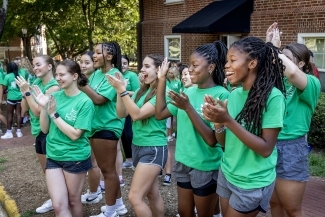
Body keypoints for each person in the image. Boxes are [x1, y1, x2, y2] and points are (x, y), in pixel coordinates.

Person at [201, 36, 286, 217]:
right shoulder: (234, 94)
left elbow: (265, 149)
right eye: (226, 61)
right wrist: (218, 123)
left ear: (252, 63)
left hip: (252, 182)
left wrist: (228, 120)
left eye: (232, 60)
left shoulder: (273, 97)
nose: (226, 66)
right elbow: (223, 143)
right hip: (227, 172)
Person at [156, 41, 229, 217]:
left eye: (195, 65)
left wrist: (188, 108)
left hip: (205, 166)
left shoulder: (222, 94)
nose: (189, 69)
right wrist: (161, 80)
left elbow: (212, 140)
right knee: (184, 212)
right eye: (189, 64)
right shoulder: (188, 92)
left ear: (211, 67)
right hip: (183, 162)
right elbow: (160, 114)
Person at [266, 23, 321, 217]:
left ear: (301, 64)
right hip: (269, 145)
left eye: (287, 59)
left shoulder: (311, 83)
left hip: (292, 148)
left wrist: (276, 51)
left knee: (292, 209)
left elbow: (290, 72)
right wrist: (269, 46)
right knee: (274, 203)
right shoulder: (277, 82)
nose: (280, 62)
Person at [107, 53, 167, 217]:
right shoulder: (143, 90)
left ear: (160, 70)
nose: (142, 69)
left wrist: (123, 90)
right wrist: (120, 91)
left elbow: (137, 114)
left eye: (147, 66)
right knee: (152, 193)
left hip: (153, 148)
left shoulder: (162, 93)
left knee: (134, 197)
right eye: (143, 66)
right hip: (139, 146)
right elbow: (121, 113)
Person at [33, 59, 94, 217]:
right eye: (57, 74)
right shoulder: (54, 96)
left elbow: (75, 135)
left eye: (62, 74)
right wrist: (44, 108)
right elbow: (45, 129)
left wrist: (54, 114)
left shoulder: (85, 102)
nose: (58, 78)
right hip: (53, 155)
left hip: (75, 157)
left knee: (73, 201)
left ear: (74, 76)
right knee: (58, 205)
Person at [79, 42, 127, 217]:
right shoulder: (97, 74)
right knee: (109, 170)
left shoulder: (115, 75)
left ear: (109, 56)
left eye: (98, 52)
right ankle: (119, 205)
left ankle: (110, 211)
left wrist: (82, 85)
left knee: (107, 171)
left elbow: (99, 99)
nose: (94, 55)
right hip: (96, 126)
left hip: (107, 126)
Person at [15, 55, 60, 214]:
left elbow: (37, 110)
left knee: (54, 171)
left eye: (38, 64)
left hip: (49, 133)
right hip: (38, 132)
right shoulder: (36, 83)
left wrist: (28, 93)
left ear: (49, 66)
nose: (35, 68)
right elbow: (24, 109)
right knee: (47, 172)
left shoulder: (54, 87)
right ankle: (55, 199)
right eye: (33, 66)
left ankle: (60, 201)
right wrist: (24, 92)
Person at [114, 55, 140, 187]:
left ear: (128, 65)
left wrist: (122, 90)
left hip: (129, 107)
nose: (123, 65)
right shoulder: (115, 74)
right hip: (118, 107)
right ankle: (129, 159)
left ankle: (135, 158)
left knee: (129, 134)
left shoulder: (132, 75)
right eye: (121, 63)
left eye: (125, 63)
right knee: (122, 134)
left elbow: (137, 92)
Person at [0, 62, 27, 139]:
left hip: (11, 98)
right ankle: (19, 132)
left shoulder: (7, 76)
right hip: (20, 97)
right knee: (18, 114)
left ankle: (9, 132)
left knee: (9, 114)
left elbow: (4, 87)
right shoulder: (20, 75)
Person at [20, 57, 36, 124]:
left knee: (24, 104)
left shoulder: (23, 70)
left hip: (27, 88)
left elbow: (22, 79)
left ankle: (21, 119)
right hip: (34, 87)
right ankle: (28, 117)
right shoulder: (32, 69)